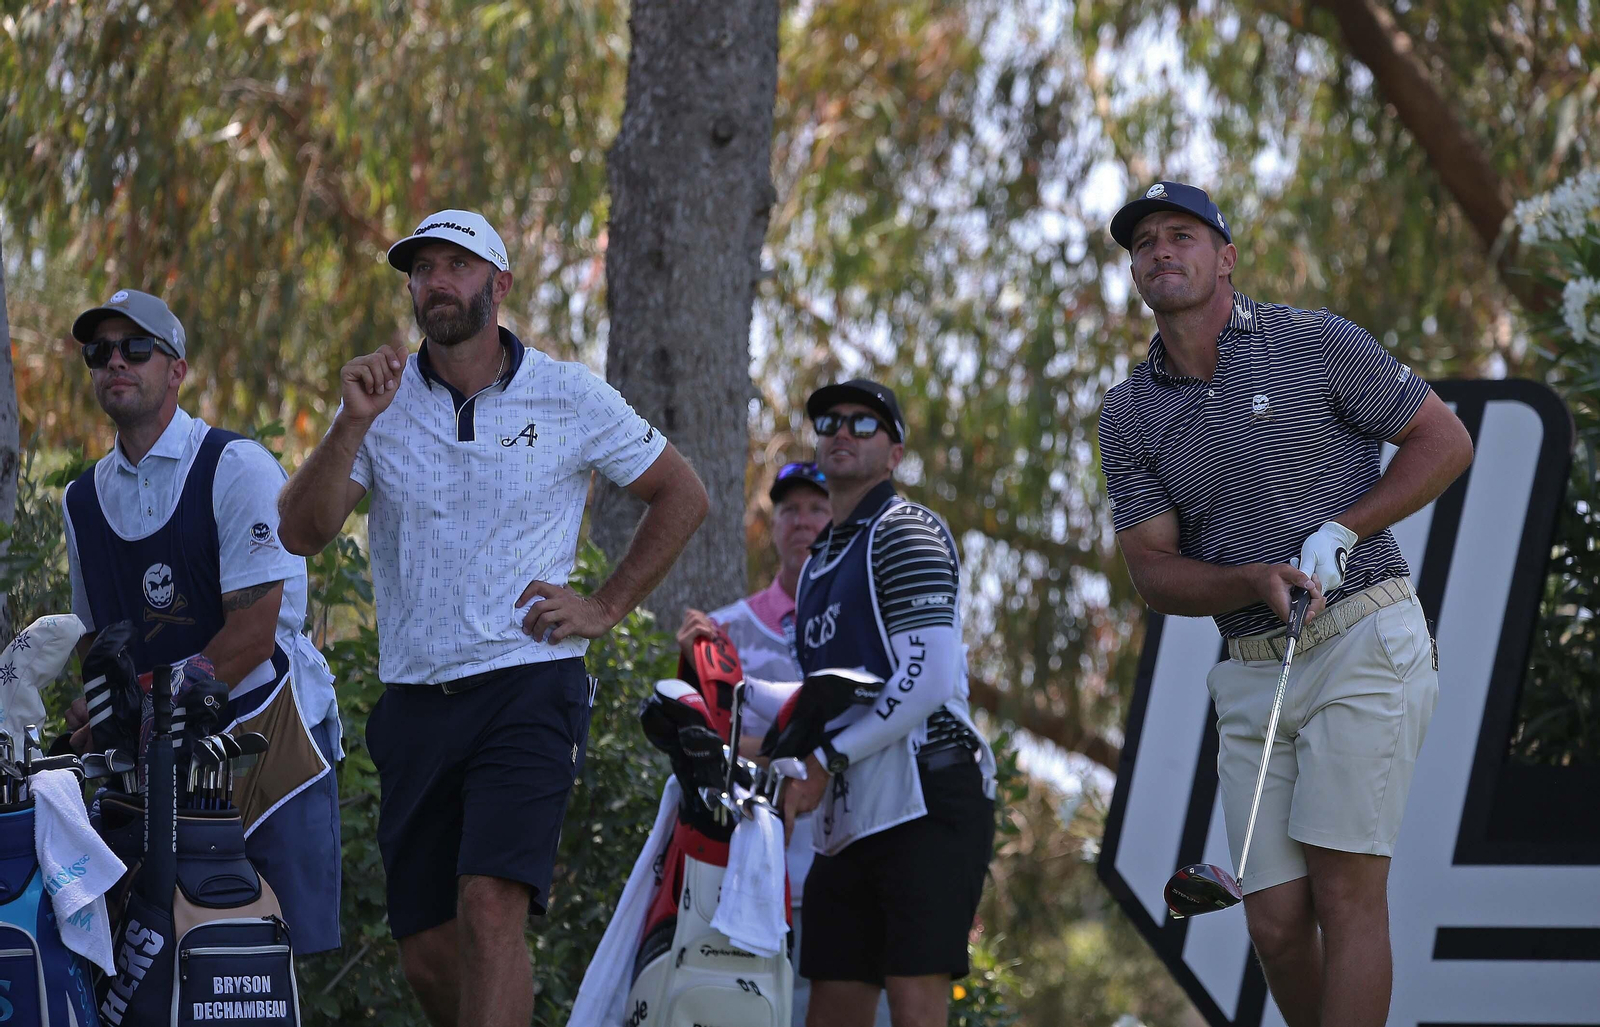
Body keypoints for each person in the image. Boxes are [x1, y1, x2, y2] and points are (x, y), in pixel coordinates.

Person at [276, 209, 709, 1027]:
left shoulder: (569, 392)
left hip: (527, 686)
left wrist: (604, 605)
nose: (437, 281)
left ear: (499, 284)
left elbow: (682, 494)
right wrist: (352, 420)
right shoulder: (380, 401)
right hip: (415, 700)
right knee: (429, 954)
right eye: (422, 268)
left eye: (457, 265)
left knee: (488, 904)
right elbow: (301, 529)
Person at [1097, 181, 1475, 1027]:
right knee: (1272, 922)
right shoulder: (1128, 414)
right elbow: (1152, 570)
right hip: (1253, 666)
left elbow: (1444, 440)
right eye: (1145, 242)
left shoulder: (1312, 341)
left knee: (1344, 893)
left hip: (1363, 633)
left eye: (1182, 235)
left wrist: (1344, 526)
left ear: (1226, 258)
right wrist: (1250, 579)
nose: (1161, 251)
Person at [60, 288, 343, 954]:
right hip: (157, 766)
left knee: (270, 965)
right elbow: (99, 639)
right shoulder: (81, 501)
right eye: (99, 352)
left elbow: (253, 632)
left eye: (136, 348)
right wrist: (100, 703)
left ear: (177, 370)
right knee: (158, 967)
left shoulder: (233, 466)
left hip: (267, 746)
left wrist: (144, 701)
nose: (115, 361)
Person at [779, 379, 996, 1027]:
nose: (842, 431)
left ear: (895, 453)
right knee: (832, 1009)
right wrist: (723, 703)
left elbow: (928, 679)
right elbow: (828, 695)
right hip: (853, 811)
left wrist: (825, 760)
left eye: (864, 423)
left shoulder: (906, 530)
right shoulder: (817, 563)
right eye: (829, 422)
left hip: (927, 794)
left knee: (914, 1007)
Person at [676, 460, 892, 1027]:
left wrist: (772, 748)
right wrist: (808, 751)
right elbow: (708, 746)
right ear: (772, 527)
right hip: (756, 880)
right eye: (789, 510)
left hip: (855, 870)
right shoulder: (723, 631)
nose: (803, 521)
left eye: (818, 508)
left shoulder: (872, 629)